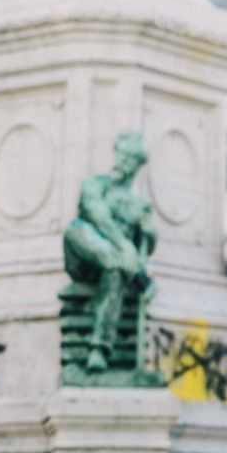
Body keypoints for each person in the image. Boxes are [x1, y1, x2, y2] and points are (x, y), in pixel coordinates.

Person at [63, 131, 156, 373]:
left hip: (115, 268)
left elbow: (145, 246)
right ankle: (140, 279)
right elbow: (98, 216)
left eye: (130, 159)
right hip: (83, 257)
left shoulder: (140, 203)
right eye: (121, 155)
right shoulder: (94, 184)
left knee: (115, 266)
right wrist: (124, 245)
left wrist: (151, 232)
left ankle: (99, 350)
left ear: (137, 166)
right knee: (76, 229)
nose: (123, 163)